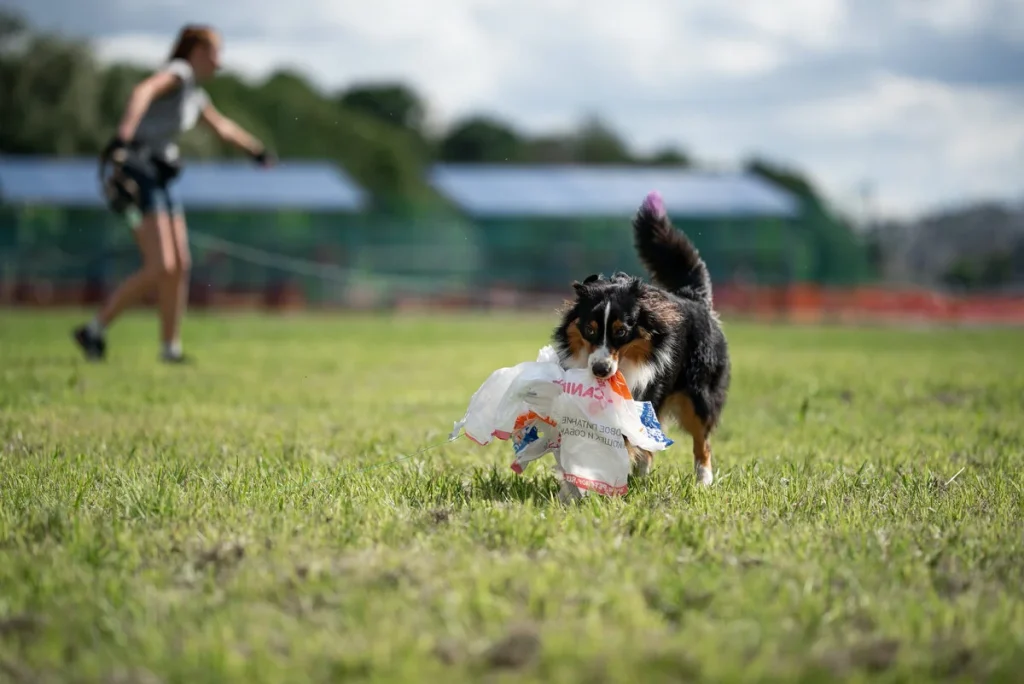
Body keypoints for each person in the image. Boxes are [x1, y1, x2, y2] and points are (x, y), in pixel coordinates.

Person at [74, 24, 274, 363]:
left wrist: (256, 151)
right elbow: (142, 92)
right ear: (196, 52)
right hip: (139, 173)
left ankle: (170, 348)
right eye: (215, 53)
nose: (218, 61)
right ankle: (95, 329)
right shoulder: (178, 73)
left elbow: (221, 126)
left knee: (180, 264)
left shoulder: (194, 92)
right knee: (161, 265)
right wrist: (122, 139)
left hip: (161, 177)